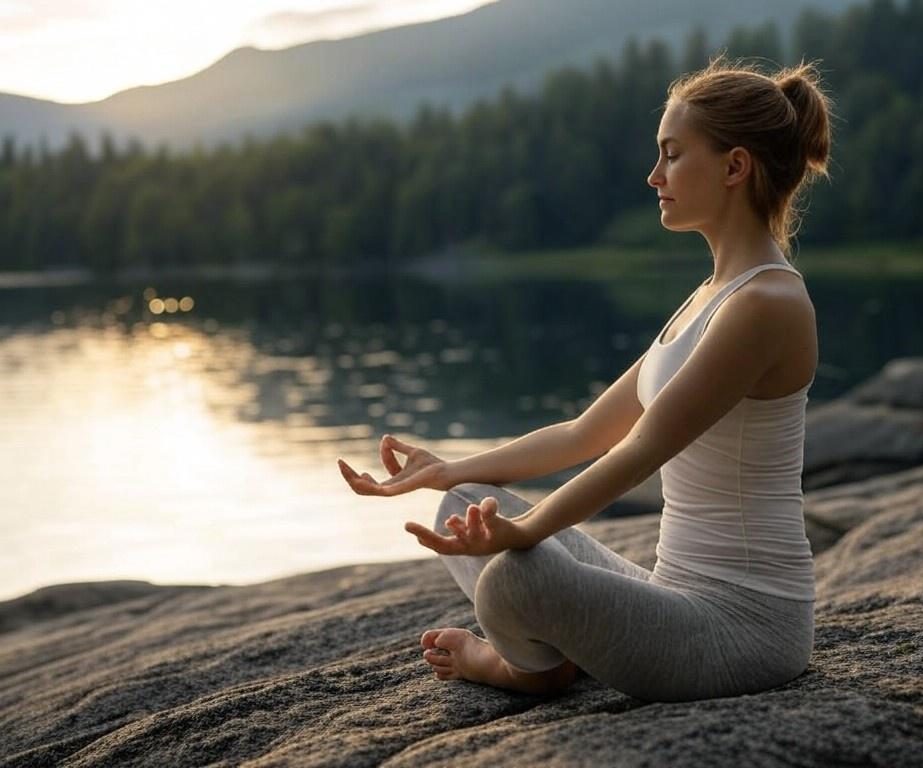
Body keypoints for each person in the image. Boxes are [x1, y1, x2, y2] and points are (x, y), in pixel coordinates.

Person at [337, 53, 834, 702]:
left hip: (742, 631)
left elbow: (642, 450)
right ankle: (553, 645)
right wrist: (450, 469)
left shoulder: (766, 304)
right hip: (670, 599)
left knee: (515, 578)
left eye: (673, 154)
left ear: (735, 166)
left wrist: (528, 530)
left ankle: (526, 668)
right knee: (462, 504)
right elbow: (583, 433)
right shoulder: (712, 295)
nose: (654, 174)